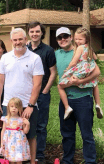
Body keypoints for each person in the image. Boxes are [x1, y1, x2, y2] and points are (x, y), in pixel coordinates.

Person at [0, 28, 44, 164]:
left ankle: (32, 161)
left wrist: (30, 106)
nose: (18, 42)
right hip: (8, 105)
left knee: (31, 135)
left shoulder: (35, 58)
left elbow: (37, 84)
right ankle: (7, 160)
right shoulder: (5, 58)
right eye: (15, 40)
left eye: (20, 39)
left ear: (25, 40)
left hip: (28, 104)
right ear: (11, 41)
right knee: (8, 134)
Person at [55, 27, 100, 164]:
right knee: (67, 134)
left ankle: (90, 161)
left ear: (70, 37)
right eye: (59, 37)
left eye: (65, 36)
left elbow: (97, 72)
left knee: (86, 135)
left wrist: (80, 81)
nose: (63, 39)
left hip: (83, 100)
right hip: (66, 101)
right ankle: (67, 161)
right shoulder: (56, 54)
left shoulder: (82, 50)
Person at [57, 27, 103, 119]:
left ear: (86, 39)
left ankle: (67, 107)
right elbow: (95, 58)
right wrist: (88, 60)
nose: (78, 41)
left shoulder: (79, 48)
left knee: (59, 86)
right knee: (95, 83)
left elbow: (74, 61)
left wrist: (68, 68)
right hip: (88, 70)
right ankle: (98, 104)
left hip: (80, 71)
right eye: (77, 39)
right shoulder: (89, 48)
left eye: (80, 39)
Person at [27, 21, 57, 163]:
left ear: (41, 33)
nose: (34, 34)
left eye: (37, 31)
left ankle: (39, 155)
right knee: (25, 123)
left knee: (41, 126)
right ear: (28, 33)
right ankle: (26, 152)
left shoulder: (48, 50)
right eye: (32, 31)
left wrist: (45, 90)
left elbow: (53, 72)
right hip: (26, 95)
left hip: (42, 95)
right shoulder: (25, 49)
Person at [0, 97, 30, 163]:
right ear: (8, 107)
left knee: (19, 159)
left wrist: (27, 125)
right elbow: (3, 131)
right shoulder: (6, 119)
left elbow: (25, 131)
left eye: (16, 107)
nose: (14, 108)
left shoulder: (21, 119)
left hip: (19, 143)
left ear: (19, 108)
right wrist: (2, 142)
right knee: (10, 159)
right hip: (9, 142)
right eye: (12, 106)